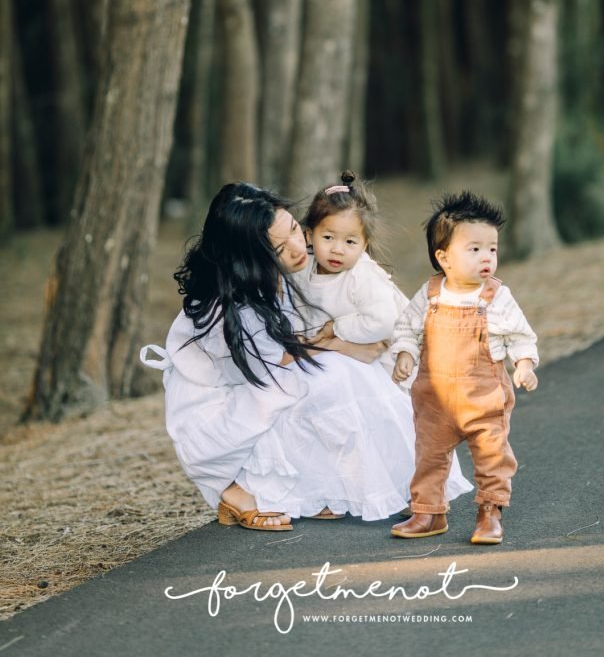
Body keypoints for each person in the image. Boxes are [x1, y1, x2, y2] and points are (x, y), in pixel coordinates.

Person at [140, 182, 472, 532]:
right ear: (249, 259)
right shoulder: (225, 304)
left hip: (268, 381)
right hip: (221, 412)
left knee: (353, 371)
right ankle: (240, 491)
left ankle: (397, 482)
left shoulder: (300, 263)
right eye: (280, 247)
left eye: (295, 230)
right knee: (334, 373)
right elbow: (274, 364)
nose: (299, 248)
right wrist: (345, 346)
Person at [390, 189, 539, 544]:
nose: (486, 257)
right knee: (429, 458)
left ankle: (490, 512)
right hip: (434, 400)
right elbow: (406, 328)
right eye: (474, 249)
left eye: (492, 249)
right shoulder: (430, 295)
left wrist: (524, 363)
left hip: (483, 399)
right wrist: (405, 353)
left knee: (492, 458)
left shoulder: (496, 296)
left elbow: (520, 335)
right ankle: (428, 512)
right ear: (443, 257)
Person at [291, 171, 411, 387]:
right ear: (309, 236)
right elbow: (301, 306)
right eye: (328, 237)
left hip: (393, 360)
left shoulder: (363, 275)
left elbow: (384, 322)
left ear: (364, 245)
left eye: (350, 242)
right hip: (344, 357)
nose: (338, 249)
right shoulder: (303, 268)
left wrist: (335, 328)